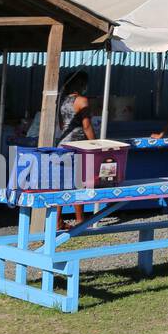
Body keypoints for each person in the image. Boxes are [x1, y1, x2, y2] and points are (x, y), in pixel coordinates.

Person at [56, 71, 95, 228]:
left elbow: (61, 125)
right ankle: (80, 219)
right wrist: (96, 144)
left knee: (61, 184)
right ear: (81, 84)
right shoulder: (82, 100)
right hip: (77, 146)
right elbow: (86, 126)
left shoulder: (62, 100)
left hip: (61, 145)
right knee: (78, 183)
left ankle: (58, 220)